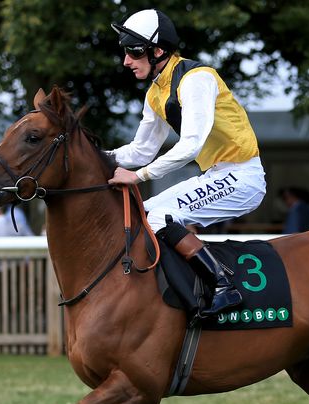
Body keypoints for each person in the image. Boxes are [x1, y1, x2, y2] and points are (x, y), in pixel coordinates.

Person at [106, 9, 266, 320]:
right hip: (218, 175)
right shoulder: (156, 92)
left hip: (243, 177)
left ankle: (223, 286)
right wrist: (96, 156)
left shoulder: (196, 79)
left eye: (133, 52)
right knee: (143, 214)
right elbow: (141, 150)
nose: (126, 61)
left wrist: (139, 177)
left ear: (157, 51)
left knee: (158, 216)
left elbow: (191, 146)